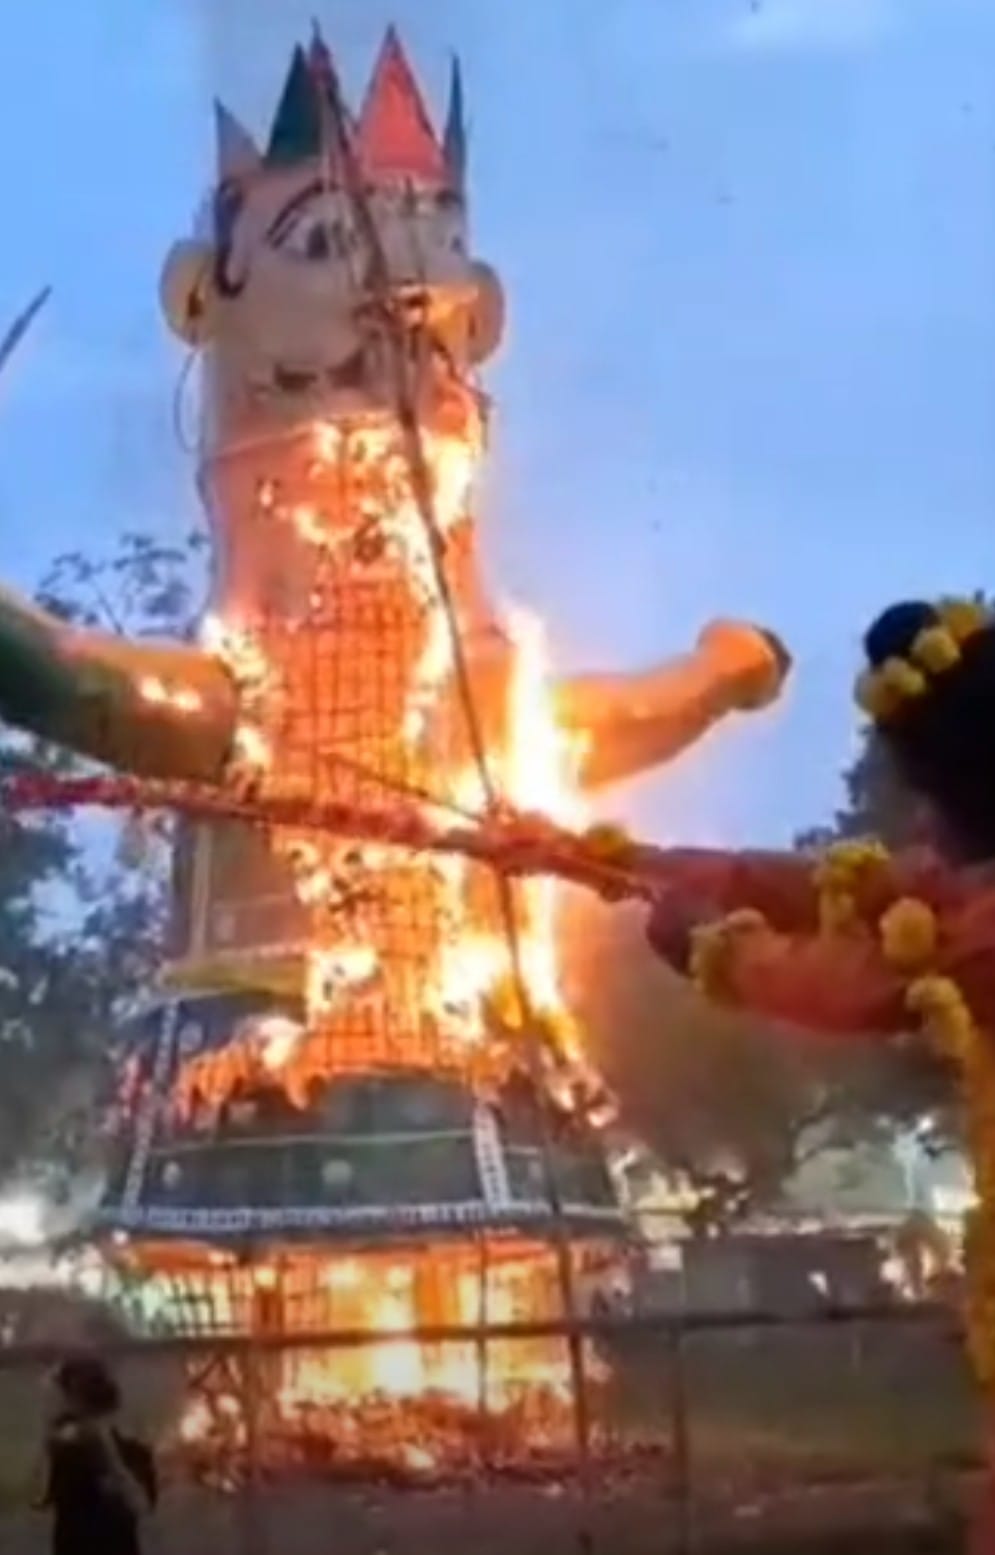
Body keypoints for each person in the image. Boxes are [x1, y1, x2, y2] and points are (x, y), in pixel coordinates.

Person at [34, 1353, 157, 1555]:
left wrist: (105, 1451)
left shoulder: (130, 1448)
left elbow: (140, 1504)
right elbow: (37, 1496)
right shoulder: (65, 1450)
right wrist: (47, 1437)